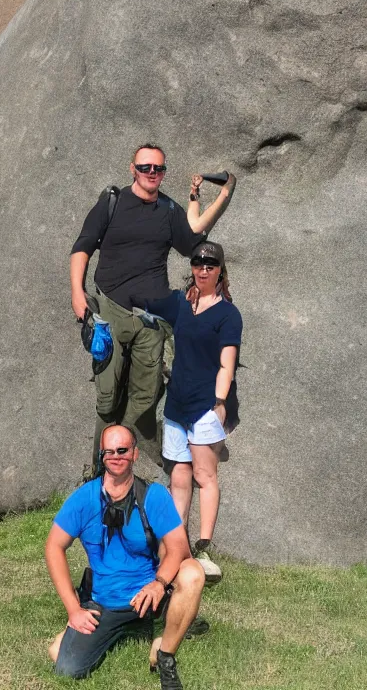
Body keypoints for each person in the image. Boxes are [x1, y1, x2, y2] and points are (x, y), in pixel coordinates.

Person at [69, 144, 236, 471]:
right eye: (145, 167)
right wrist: (78, 291)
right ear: (133, 168)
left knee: (145, 396)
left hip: (150, 321)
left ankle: (125, 444)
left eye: (158, 169)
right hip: (110, 311)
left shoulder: (168, 210)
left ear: (163, 172)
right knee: (107, 398)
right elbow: (83, 245)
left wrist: (222, 197)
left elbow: (192, 239)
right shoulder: (112, 203)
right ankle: (99, 475)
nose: (151, 174)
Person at [45, 423, 205, 689]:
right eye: (109, 452)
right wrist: (74, 609)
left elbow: (179, 548)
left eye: (122, 450)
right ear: (101, 455)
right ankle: (135, 628)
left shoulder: (153, 495)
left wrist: (159, 583)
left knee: (193, 572)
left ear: (135, 453)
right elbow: (53, 547)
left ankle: (164, 653)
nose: (116, 457)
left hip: (149, 595)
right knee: (65, 666)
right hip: (106, 602)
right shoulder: (84, 498)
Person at [140, 241, 242, 584]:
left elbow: (227, 364)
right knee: (178, 479)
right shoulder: (182, 305)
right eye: (198, 264)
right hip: (175, 407)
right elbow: (147, 301)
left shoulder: (229, 314)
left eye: (210, 265)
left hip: (203, 408)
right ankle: (175, 544)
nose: (203, 270)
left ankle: (203, 548)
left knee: (205, 476)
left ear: (220, 271)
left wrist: (219, 402)